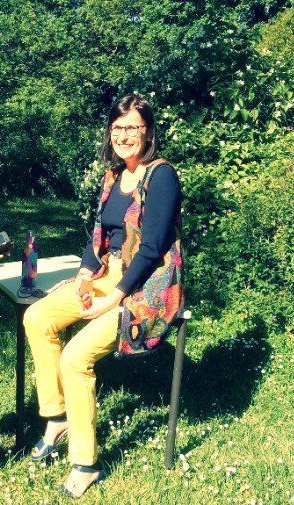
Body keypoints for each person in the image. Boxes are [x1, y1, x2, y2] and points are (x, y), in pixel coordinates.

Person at [23, 94, 184, 499]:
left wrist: (113, 299)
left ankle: (85, 463)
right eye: (117, 128)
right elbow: (99, 234)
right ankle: (57, 417)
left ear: (148, 131)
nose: (123, 136)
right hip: (105, 273)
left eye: (132, 127)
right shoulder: (113, 176)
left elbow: (152, 249)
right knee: (37, 318)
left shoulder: (161, 176)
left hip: (145, 287)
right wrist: (83, 272)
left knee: (75, 357)